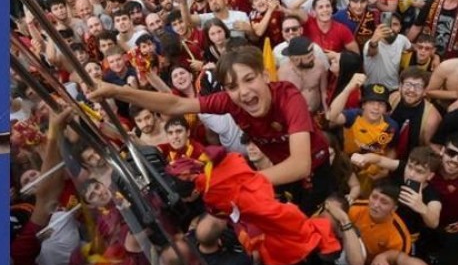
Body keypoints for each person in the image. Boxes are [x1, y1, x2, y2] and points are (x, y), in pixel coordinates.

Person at [89, 45, 333, 215]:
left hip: (317, 170)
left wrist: (239, 181)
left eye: (249, 79)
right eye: (233, 86)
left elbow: (301, 164)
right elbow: (175, 103)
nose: (244, 92)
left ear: (265, 75)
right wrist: (116, 91)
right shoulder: (229, 100)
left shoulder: (289, 97)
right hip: (279, 174)